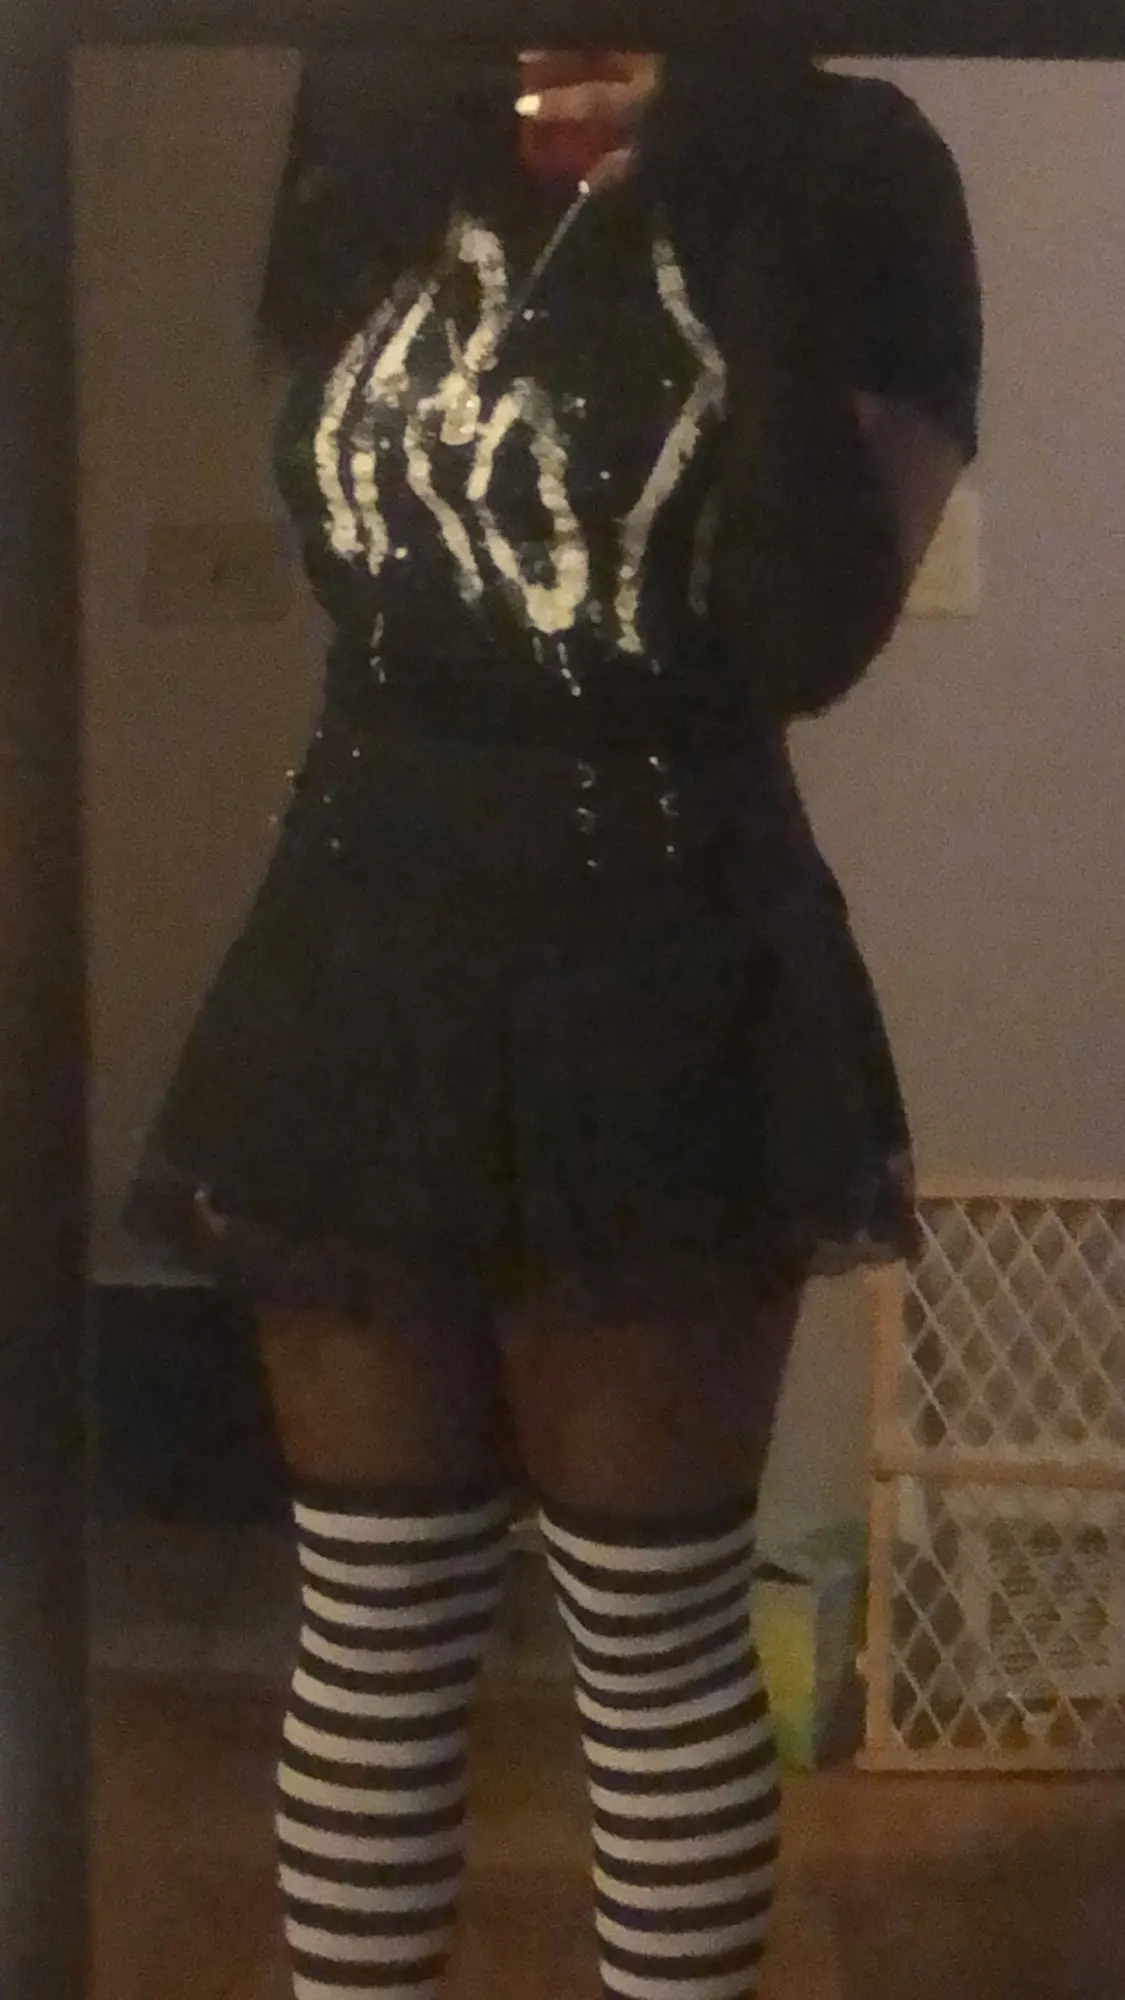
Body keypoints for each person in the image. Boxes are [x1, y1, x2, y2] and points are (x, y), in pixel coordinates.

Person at [125, 36, 981, 2000]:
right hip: (359, 934)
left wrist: (726, 184)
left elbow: (811, 634)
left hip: (667, 948)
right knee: (373, 1619)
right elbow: (340, 514)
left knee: (652, 1626)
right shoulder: (377, 108)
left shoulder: (852, 162)